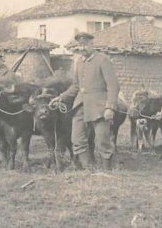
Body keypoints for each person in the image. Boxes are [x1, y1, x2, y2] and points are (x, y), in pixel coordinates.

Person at [51, 32, 120, 170]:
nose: (82, 48)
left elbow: (113, 85)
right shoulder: (79, 62)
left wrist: (110, 107)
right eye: (80, 45)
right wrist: (61, 97)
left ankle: (107, 171)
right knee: (77, 139)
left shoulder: (102, 60)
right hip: (81, 105)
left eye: (85, 45)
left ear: (91, 44)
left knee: (102, 141)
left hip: (99, 106)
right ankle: (89, 169)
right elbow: (76, 86)